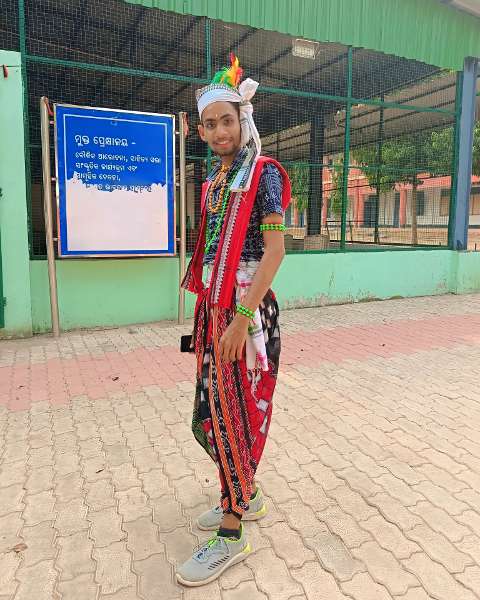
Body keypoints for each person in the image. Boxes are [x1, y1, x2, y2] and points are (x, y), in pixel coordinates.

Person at [176, 54, 291, 587]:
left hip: (247, 316)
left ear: (243, 120)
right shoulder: (216, 179)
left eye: (228, 120)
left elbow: (274, 251)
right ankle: (247, 493)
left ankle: (232, 530)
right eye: (210, 123)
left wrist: (242, 319)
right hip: (216, 311)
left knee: (236, 416)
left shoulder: (263, 175)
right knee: (216, 410)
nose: (220, 131)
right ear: (200, 130)